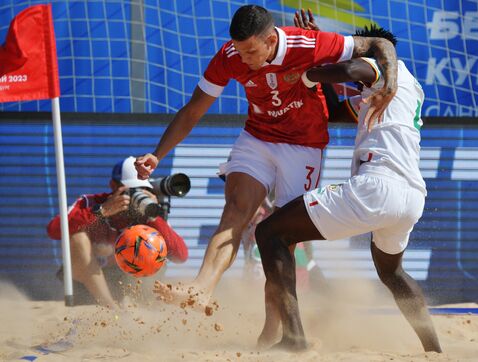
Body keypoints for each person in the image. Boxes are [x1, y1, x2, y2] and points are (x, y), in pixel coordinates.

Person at [141, 4, 398, 310]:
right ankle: (201, 289)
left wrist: (390, 81)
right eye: (239, 50)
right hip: (258, 137)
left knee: (281, 236)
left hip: (303, 145)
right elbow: (193, 110)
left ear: (271, 41)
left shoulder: (306, 43)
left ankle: (277, 322)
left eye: (250, 51)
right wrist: (157, 155)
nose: (244, 59)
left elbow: (380, 44)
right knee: (235, 210)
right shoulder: (230, 57)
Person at [254, 25, 442, 352]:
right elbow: (339, 111)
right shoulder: (408, 87)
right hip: (411, 196)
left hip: (377, 186)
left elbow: (350, 68)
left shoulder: (381, 64)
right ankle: (434, 350)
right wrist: (324, 57)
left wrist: (310, 74)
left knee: (270, 233)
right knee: (393, 272)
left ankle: (294, 338)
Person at [47, 156, 188, 308]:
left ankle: (132, 303)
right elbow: (53, 230)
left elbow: (180, 256)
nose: (137, 195)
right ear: (113, 185)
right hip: (90, 284)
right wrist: (101, 212)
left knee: (149, 239)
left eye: (143, 189)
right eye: (131, 190)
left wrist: (154, 217)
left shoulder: (149, 211)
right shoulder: (91, 202)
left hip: (132, 283)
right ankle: (109, 307)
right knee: (77, 236)